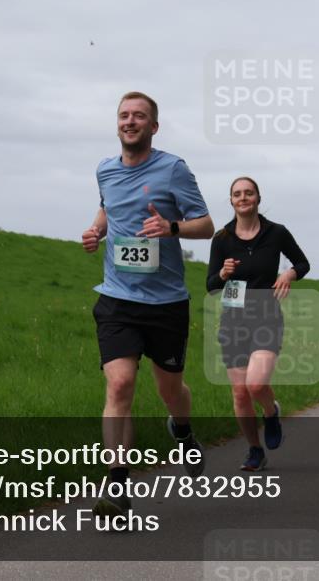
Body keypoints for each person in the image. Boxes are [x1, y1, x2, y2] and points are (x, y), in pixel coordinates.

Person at [82, 92, 214, 515]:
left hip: (167, 303)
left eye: (139, 116)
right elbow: (107, 208)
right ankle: (117, 488)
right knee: (119, 384)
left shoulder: (173, 169)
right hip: (118, 297)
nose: (130, 121)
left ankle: (184, 431)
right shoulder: (104, 170)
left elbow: (207, 226)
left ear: (153, 127)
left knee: (170, 390)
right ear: (117, 123)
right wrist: (95, 230)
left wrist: (171, 227)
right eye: (124, 115)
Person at [207, 177, 310, 471]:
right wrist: (223, 275)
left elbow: (302, 263)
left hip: (266, 318)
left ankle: (270, 411)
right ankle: (254, 449)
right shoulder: (222, 238)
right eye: (237, 194)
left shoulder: (276, 233)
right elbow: (211, 286)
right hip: (233, 321)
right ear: (231, 201)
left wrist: (289, 275)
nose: (243, 198)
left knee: (256, 384)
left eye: (248, 193)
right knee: (239, 392)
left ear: (257, 198)